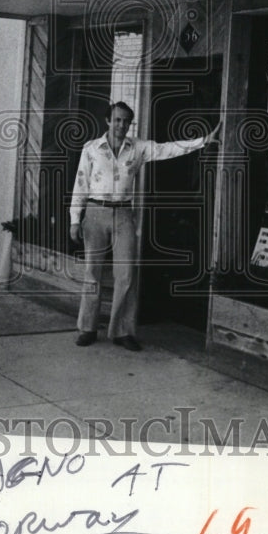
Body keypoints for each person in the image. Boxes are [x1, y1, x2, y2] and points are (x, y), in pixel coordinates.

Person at [69, 101, 220, 351]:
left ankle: (122, 331)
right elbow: (80, 184)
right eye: (117, 120)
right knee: (92, 272)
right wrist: (75, 219)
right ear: (108, 121)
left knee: (126, 274)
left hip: (124, 214)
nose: (121, 125)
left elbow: (168, 149)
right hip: (95, 212)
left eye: (126, 121)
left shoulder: (138, 148)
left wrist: (203, 141)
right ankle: (87, 328)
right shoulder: (91, 149)